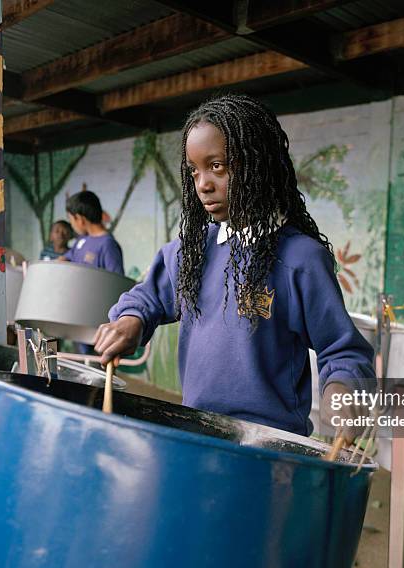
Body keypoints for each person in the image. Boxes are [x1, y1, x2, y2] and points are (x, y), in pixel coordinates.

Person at [93, 94, 375, 437]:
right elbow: (147, 298)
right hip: (197, 433)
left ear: (258, 164)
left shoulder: (301, 259)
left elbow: (342, 349)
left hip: (269, 447)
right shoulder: (190, 251)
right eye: (193, 171)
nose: (203, 185)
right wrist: (129, 321)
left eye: (217, 166)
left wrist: (343, 393)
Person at [60, 190, 124, 276]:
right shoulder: (82, 239)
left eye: (70, 219)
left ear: (79, 219)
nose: (71, 224)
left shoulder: (108, 245)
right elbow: (65, 258)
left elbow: (118, 282)